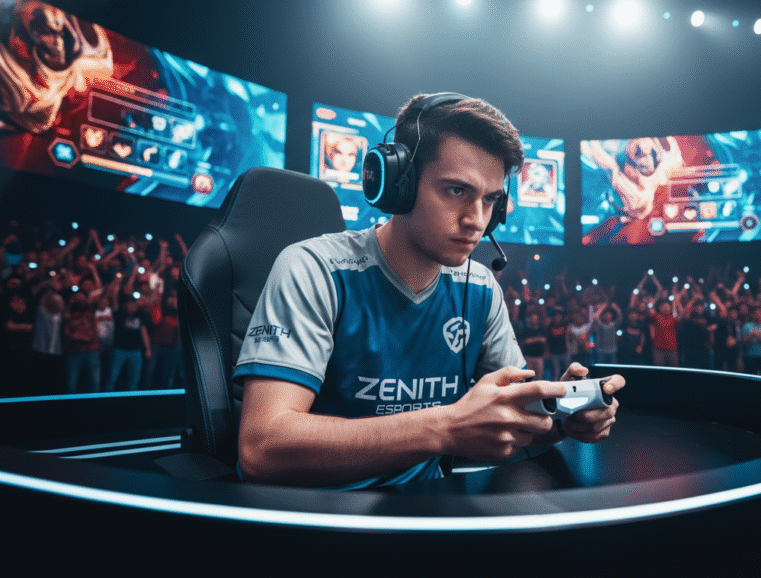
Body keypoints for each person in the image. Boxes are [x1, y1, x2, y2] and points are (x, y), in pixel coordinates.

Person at [234, 93, 624, 489]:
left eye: (490, 200)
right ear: (398, 183)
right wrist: (446, 427)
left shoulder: (480, 288)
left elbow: (505, 419)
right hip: (315, 522)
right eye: (456, 191)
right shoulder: (314, 269)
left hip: (429, 514)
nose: (477, 221)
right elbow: (262, 448)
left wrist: (564, 420)